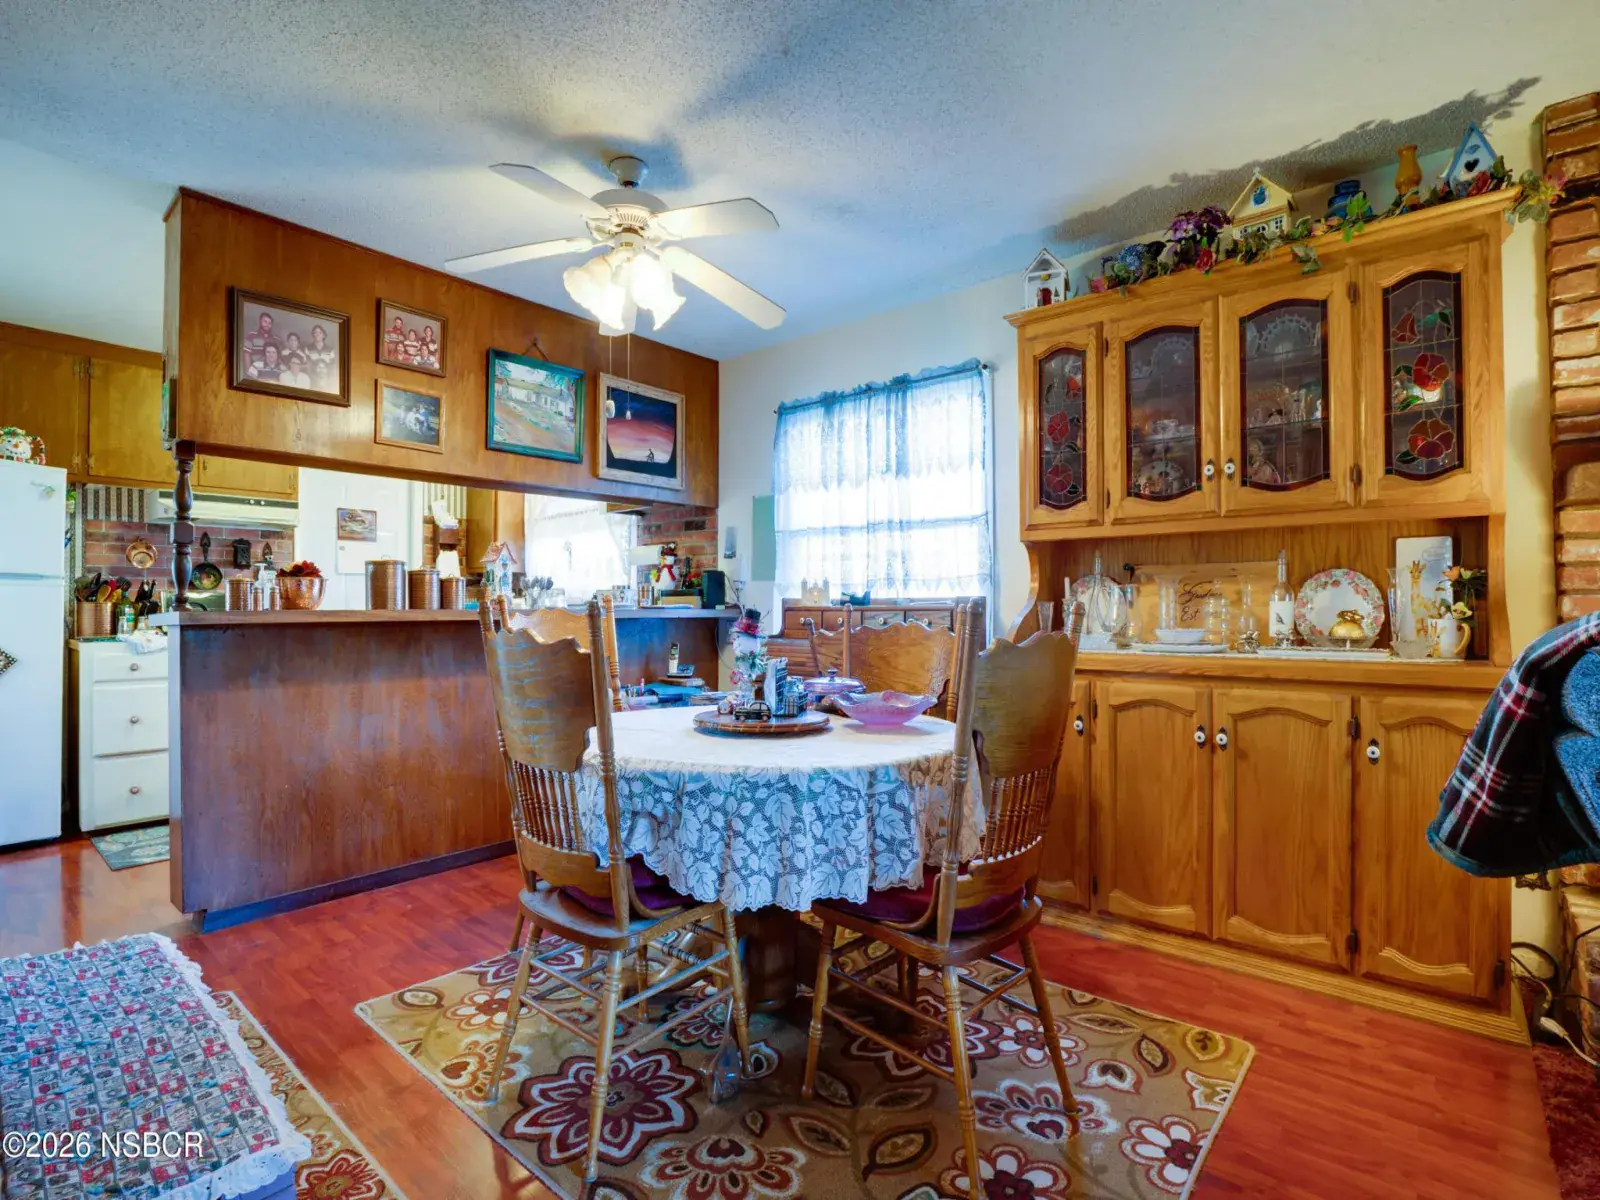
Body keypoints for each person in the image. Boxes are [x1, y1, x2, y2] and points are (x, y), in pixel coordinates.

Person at [304, 325, 337, 392]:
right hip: (312, 379)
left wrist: (329, 379)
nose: (317, 334)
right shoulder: (308, 348)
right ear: (313, 335)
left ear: (324, 335)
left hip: (326, 380)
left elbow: (333, 367)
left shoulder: (330, 350)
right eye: (315, 332)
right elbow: (307, 366)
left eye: (320, 332)